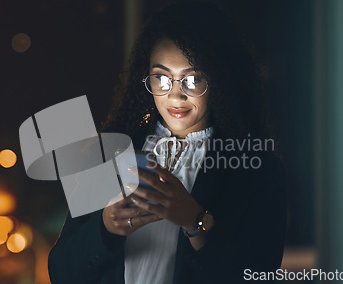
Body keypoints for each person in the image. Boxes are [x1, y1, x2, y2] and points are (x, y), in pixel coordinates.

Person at [48, 1, 287, 283]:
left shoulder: (255, 169)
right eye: (161, 78)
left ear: (221, 79)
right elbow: (61, 272)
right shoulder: (110, 153)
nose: (175, 95)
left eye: (193, 78)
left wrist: (195, 221)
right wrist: (104, 229)